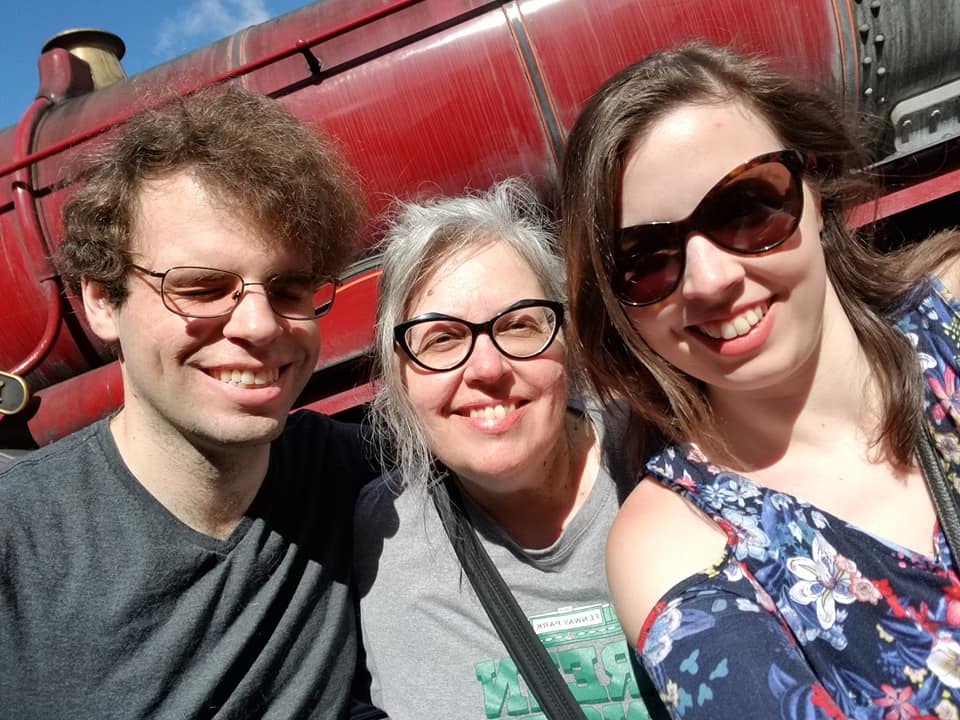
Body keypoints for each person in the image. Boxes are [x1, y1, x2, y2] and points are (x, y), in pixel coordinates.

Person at [559, 40, 960, 718]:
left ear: (816, 190)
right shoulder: (675, 540)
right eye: (648, 259)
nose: (711, 280)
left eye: (746, 209)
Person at [0, 85, 379, 719]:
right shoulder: (17, 543)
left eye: (288, 288)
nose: (259, 326)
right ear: (100, 299)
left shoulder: (362, 481)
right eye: (202, 288)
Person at [352, 179, 661, 719]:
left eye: (518, 326)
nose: (488, 369)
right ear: (398, 380)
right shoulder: (388, 538)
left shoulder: (665, 457)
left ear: (567, 340)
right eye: (442, 339)